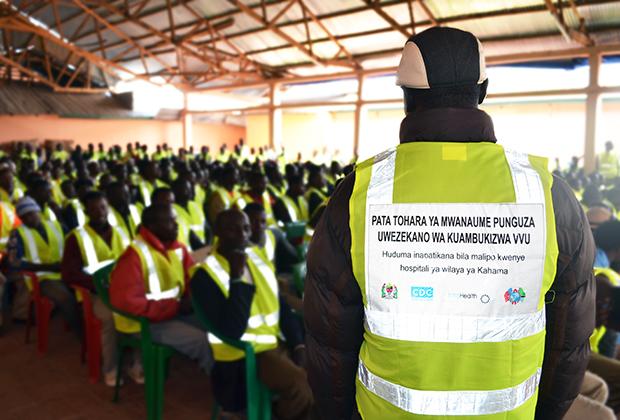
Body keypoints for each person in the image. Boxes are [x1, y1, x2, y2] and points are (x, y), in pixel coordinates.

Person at [305, 27, 595, 419]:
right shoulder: (548, 196)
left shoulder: (357, 196)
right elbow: (569, 344)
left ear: (406, 97)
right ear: (483, 90)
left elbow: (329, 346)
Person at [190, 209, 312, 419]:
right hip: (246, 355)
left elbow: (280, 304)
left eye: (246, 229)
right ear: (217, 231)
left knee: (324, 369)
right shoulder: (205, 274)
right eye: (232, 229)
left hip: (276, 343)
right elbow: (232, 330)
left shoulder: (256, 256)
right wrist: (237, 279)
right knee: (302, 386)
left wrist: (298, 344)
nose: (242, 235)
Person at [109, 204, 212, 373]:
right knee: (201, 341)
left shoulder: (177, 248)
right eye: (170, 221)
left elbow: (192, 279)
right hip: (144, 322)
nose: (177, 225)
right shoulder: (134, 256)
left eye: (175, 220)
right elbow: (127, 303)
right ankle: (224, 392)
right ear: (152, 227)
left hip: (172, 313)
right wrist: (176, 306)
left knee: (216, 327)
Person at [61, 191, 142, 386]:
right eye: (94, 209)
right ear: (87, 211)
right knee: (109, 319)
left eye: (103, 207)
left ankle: (137, 365)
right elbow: (69, 273)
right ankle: (111, 370)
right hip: (94, 293)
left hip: (123, 290)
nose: (100, 212)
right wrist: (97, 284)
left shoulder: (121, 232)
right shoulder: (76, 238)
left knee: (140, 312)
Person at [8, 197, 81, 337]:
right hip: (42, 278)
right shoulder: (17, 234)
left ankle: (87, 325)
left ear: (38, 211)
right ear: (21, 218)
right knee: (65, 298)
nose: (29, 218)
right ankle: (82, 335)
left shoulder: (56, 225)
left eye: (32, 213)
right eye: (25, 216)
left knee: (88, 291)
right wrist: (48, 267)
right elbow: (14, 262)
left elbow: (74, 246)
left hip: (65, 270)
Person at [244, 203, 299, 274]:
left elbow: (294, 257)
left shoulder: (274, 234)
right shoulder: (239, 247)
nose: (259, 226)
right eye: (254, 222)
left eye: (263, 222)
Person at [171, 178, 206, 251]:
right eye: (187, 189)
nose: (191, 192)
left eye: (190, 189)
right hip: (186, 253)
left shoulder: (195, 205)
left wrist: (206, 248)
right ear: (176, 191)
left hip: (201, 249)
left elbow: (207, 228)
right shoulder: (171, 211)